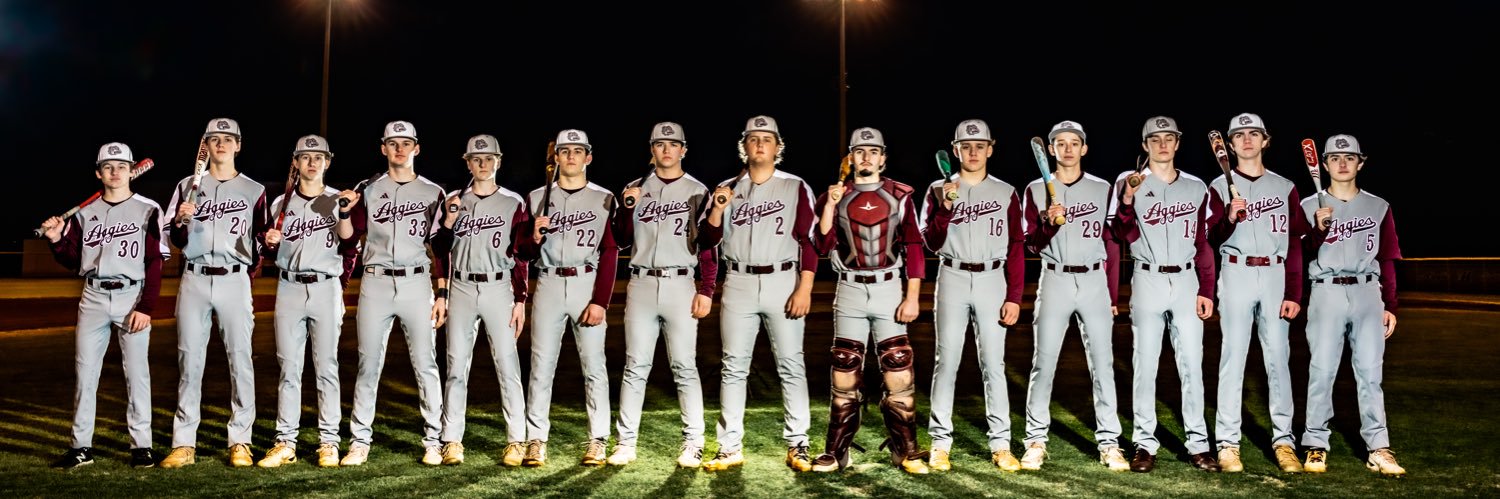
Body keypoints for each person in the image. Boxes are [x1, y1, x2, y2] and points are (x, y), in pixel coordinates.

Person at [698, 115, 817, 472]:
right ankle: (728, 446)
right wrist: (718, 209)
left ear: (778, 147)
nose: (760, 144)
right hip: (738, 280)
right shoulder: (725, 188)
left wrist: (805, 287)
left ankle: (798, 443)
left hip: (783, 279)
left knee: (791, 364)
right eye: (753, 139)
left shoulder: (795, 186)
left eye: (767, 139)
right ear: (744, 146)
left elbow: (808, 241)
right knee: (733, 367)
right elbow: (706, 241)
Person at [809, 127, 929, 474]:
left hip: (889, 286)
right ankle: (837, 450)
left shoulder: (900, 194)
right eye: (860, 151)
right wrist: (830, 206)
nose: (866, 157)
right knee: (844, 370)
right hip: (849, 287)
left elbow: (913, 246)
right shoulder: (835, 194)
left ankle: (905, 448)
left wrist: (912, 296)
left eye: (873, 151)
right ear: (851, 157)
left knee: (898, 368)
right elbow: (821, 244)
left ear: (883, 157)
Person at [42, 142, 165, 469]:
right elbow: (73, 259)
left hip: (132, 297)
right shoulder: (84, 213)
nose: (115, 171)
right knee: (85, 374)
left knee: (137, 374)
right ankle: (81, 447)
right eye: (108, 166)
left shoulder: (148, 209)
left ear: (131, 169)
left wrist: (147, 306)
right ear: (99, 172)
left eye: (121, 166)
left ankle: (142, 446)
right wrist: (56, 239)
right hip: (93, 297)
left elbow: (154, 261)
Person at [1109, 116, 1220, 472]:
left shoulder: (1197, 187)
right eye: (1154, 139)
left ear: (1177, 142)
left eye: (1168, 137)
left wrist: (1207, 289)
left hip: (1187, 281)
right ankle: (1144, 443)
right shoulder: (1131, 182)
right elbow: (1121, 232)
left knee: (1192, 365)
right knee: (1145, 365)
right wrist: (1127, 198)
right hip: (1148, 279)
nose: (1162, 144)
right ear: (1145, 145)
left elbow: (1202, 243)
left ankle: (1199, 444)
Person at [336, 120, 449, 466]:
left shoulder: (434, 192)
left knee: (426, 364)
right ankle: (359, 441)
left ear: (417, 148)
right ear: (382, 148)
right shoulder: (367, 189)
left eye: (406, 143)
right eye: (392, 143)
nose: (399, 149)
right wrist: (343, 211)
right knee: (368, 364)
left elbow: (441, 248)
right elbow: (347, 237)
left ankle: (434, 439)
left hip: (417, 282)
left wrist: (442, 293)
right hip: (376, 281)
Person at [1019, 120, 1128, 472]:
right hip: (1055, 279)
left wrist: (1112, 293)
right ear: (1050, 150)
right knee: (1043, 363)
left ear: (1084, 148)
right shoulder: (1036, 189)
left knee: (1103, 365)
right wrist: (1049, 224)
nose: (1067, 149)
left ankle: (1110, 442)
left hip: (1095, 281)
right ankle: (1035, 440)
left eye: (1074, 143)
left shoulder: (1102, 187)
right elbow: (1031, 244)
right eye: (1060, 143)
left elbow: (1112, 242)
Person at [160, 118, 269, 468]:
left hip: (235, 279)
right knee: (189, 362)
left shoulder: (254, 190)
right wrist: (179, 221)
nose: (220, 144)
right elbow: (174, 239)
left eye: (228, 139)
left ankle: (241, 440)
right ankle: (184, 443)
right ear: (205, 146)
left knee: (241, 361)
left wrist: (264, 249)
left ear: (239, 145)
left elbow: (265, 239)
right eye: (214, 139)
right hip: (193, 278)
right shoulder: (186, 185)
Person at [607, 122, 718, 468]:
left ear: (684, 149)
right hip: (640, 282)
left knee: (684, 366)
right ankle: (626, 442)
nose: (666, 150)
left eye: (673, 144)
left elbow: (708, 247)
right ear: (651, 150)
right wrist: (627, 208)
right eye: (660, 144)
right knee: (635, 366)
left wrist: (707, 289)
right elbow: (621, 239)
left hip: (680, 283)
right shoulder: (635, 188)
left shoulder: (698, 190)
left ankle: (694, 441)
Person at [920, 119, 1025, 472]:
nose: (974, 151)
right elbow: (930, 242)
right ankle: (939, 442)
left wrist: (1014, 295)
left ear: (991, 149)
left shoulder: (1006, 191)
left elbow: (1016, 246)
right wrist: (946, 209)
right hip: (951, 274)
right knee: (946, 361)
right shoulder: (938, 188)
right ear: (956, 150)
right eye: (967, 146)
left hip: (993, 278)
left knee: (993, 364)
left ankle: (1001, 443)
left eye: (980, 145)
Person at [1207, 113, 1309, 473]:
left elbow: (1296, 242)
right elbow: (1208, 240)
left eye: (1254, 134)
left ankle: (1283, 443)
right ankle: (1228, 444)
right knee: (1232, 360)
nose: (1247, 139)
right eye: (1239, 135)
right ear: (1230, 145)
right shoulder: (1218, 187)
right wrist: (1228, 219)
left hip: (1275, 274)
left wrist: (1294, 292)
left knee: (1278, 362)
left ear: (1266, 141)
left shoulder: (1285, 187)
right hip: (1235, 271)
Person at [1298, 134, 1405, 477]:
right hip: (1326, 290)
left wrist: (1391, 303)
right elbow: (1297, 258)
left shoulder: (1379, 206)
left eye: (1349, 157)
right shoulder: (1306, 206)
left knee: (1371, 374)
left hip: (1367, 292)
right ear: (1324, 164)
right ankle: (1315, 444)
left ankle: (1379, 447)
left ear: (1361, 162)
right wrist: (1317, 230)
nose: (1342, 163)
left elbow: (1387, 257)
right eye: (1334, 158)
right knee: (1322, 371)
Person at [432, 135, 533, 466]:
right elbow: (439, 248)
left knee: (508, 365)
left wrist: (520, 299)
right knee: (456, 367)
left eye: (489, 158)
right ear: (468, 163)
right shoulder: (452, 200)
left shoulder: (513, 202)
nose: (483, 164)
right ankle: (451, 440)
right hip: (461, 286)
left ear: (498, 161)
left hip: (498, 287)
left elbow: (521, 255)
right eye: (477, 159)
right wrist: (443, 292)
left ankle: (516, 439)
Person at [521, 129, 620, 467]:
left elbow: (610, 251)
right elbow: (521, 251)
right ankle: (536, 439)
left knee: (594, 367)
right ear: (557, 157)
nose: (572, 157)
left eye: (579, 151)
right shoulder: (536, 198)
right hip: (548, 281)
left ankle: (598, 439)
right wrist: (533, 237)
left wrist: (600, 301)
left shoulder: (604, 197)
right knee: (541, 367)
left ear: (588, 157)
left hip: (586, 282)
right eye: (565, 151)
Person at [256, 135, 355, 469]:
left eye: (319, 157)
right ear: (295, 163)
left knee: (327, 368)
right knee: (289, 368)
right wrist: (269, 243)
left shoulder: (338, 200)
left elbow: (350, 244)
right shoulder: (278, 204)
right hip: (289, 288)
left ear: (328, 162)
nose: (312, 162)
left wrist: (339, 288)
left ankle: (328, 442)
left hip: (325, 287)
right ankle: (285, 441)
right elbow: (268, 251)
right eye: (305, 157)